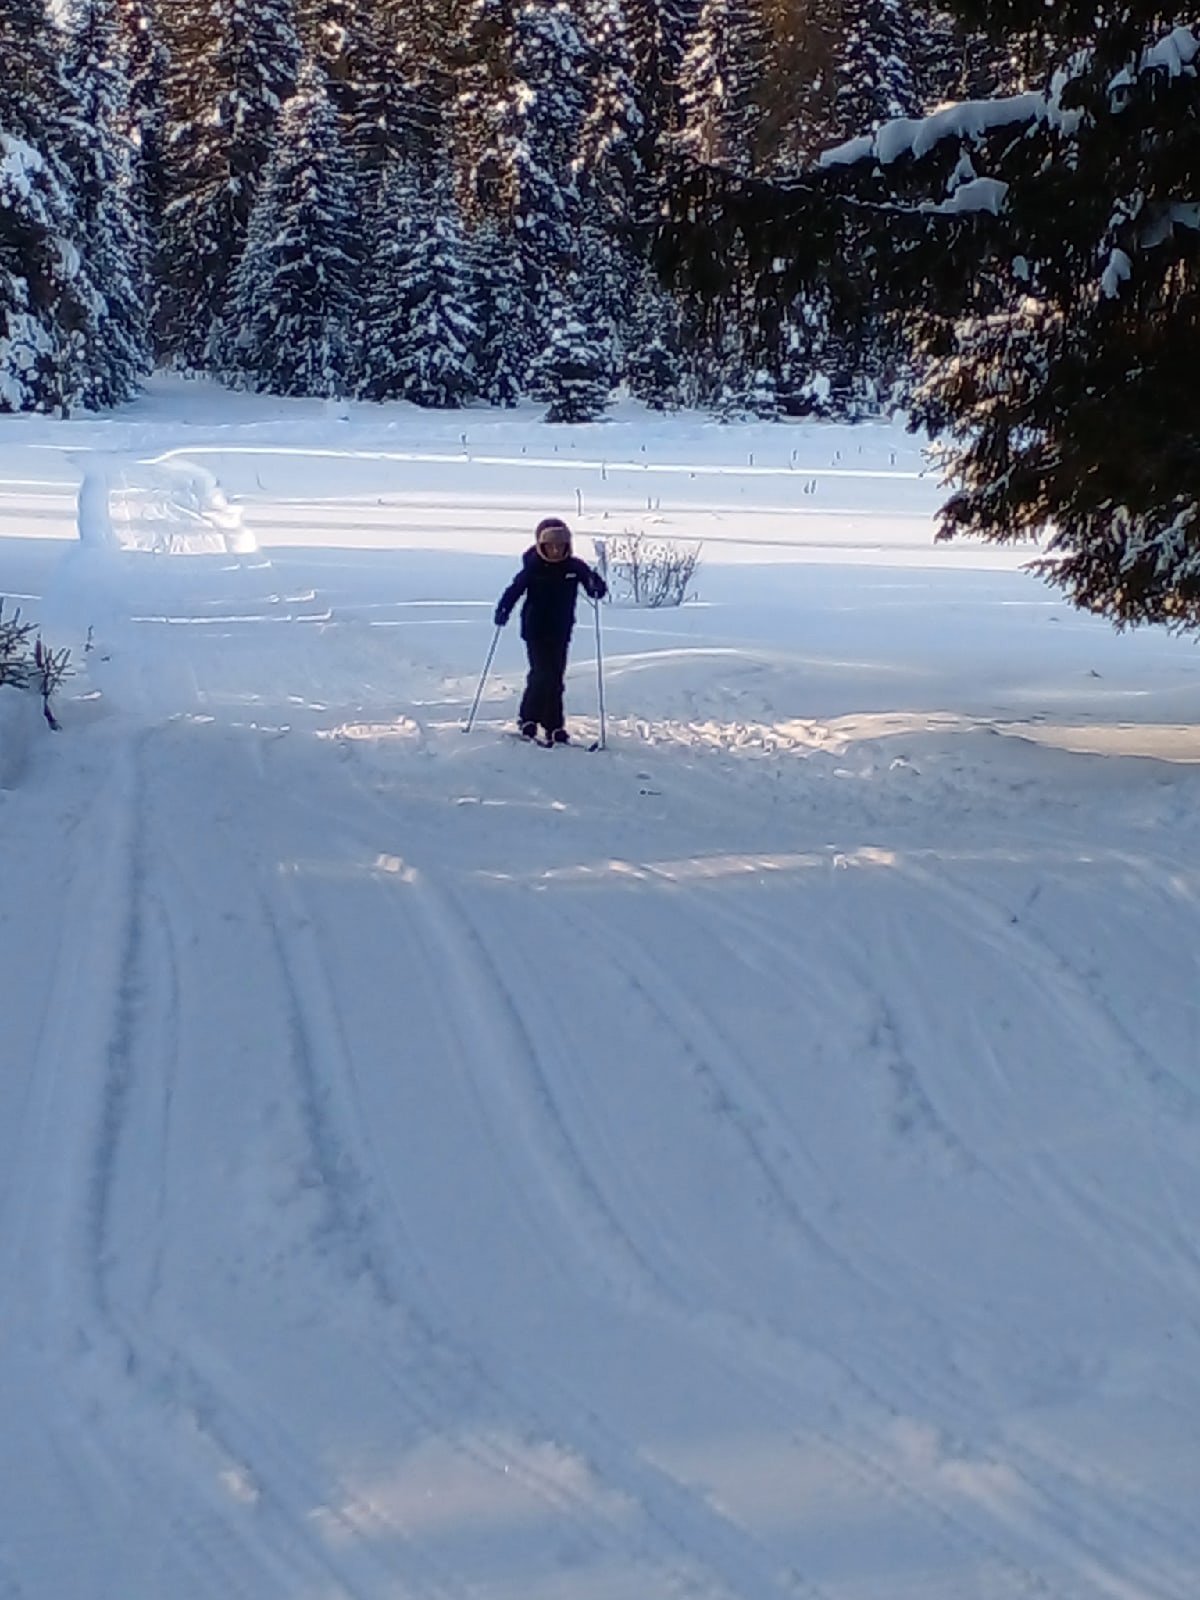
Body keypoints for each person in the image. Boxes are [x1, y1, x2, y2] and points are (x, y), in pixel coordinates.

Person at [494, 517, 607, 743]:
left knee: (555, 677)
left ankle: (553, 725)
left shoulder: (575, 568)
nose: (556, 551)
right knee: (542, 675)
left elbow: (597, 591)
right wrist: (503, 609)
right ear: (541, 546)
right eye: (551, 546)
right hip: (535, 629)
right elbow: (514, 590)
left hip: (561, 630)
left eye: (560, 546)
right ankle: (529, 719)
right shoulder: (533, 567)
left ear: (568, 546)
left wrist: (595, 583)